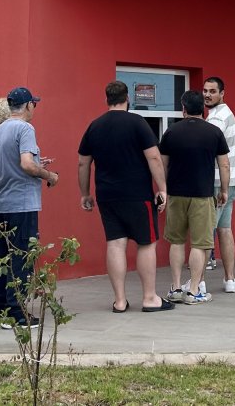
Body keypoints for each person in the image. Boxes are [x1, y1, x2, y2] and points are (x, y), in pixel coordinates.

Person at [77, 81, 173, 313]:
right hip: (137, 194)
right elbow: (154, 158)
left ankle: (119, 301)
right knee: (146, 243)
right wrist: (162, 188)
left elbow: (83, 162)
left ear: (107, 99)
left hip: (107, 195)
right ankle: (149, 298)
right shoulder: (138, 123)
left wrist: (85, 193)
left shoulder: (94, 126)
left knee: (115, 244)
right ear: (127, 98)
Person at [0, 86, 58, 329]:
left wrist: (38, 163)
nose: (34, 108)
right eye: (34, 104)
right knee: (20, 257)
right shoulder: (25, 128)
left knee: (1, 256)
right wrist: (48, 175)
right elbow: (27, 165)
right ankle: (15, 312)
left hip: (2, 202)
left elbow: (8, 164)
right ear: (28, 105)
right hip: (22, 203)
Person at [162, 90, 230, 305]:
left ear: (183, 108)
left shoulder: (171, 132)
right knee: (200, 244)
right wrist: (224, 190)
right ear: (203, 107)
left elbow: (162, 164)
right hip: (202, 195)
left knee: (176, 242)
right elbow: (224, 164)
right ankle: (193, 291)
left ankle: (175, 288)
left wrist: (164, 188)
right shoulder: (214, 132)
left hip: (176, 195)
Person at [202, 76, 235, 292]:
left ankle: (200, 281)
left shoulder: (217, 118)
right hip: (229, 181)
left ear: (222, 93)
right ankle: (229, 280)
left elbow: (208, 150)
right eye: (205, 90)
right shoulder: (226, 115)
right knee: (224, 230)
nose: (207, 94)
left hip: (218, 181)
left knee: (207, 231)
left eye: (212, 91)